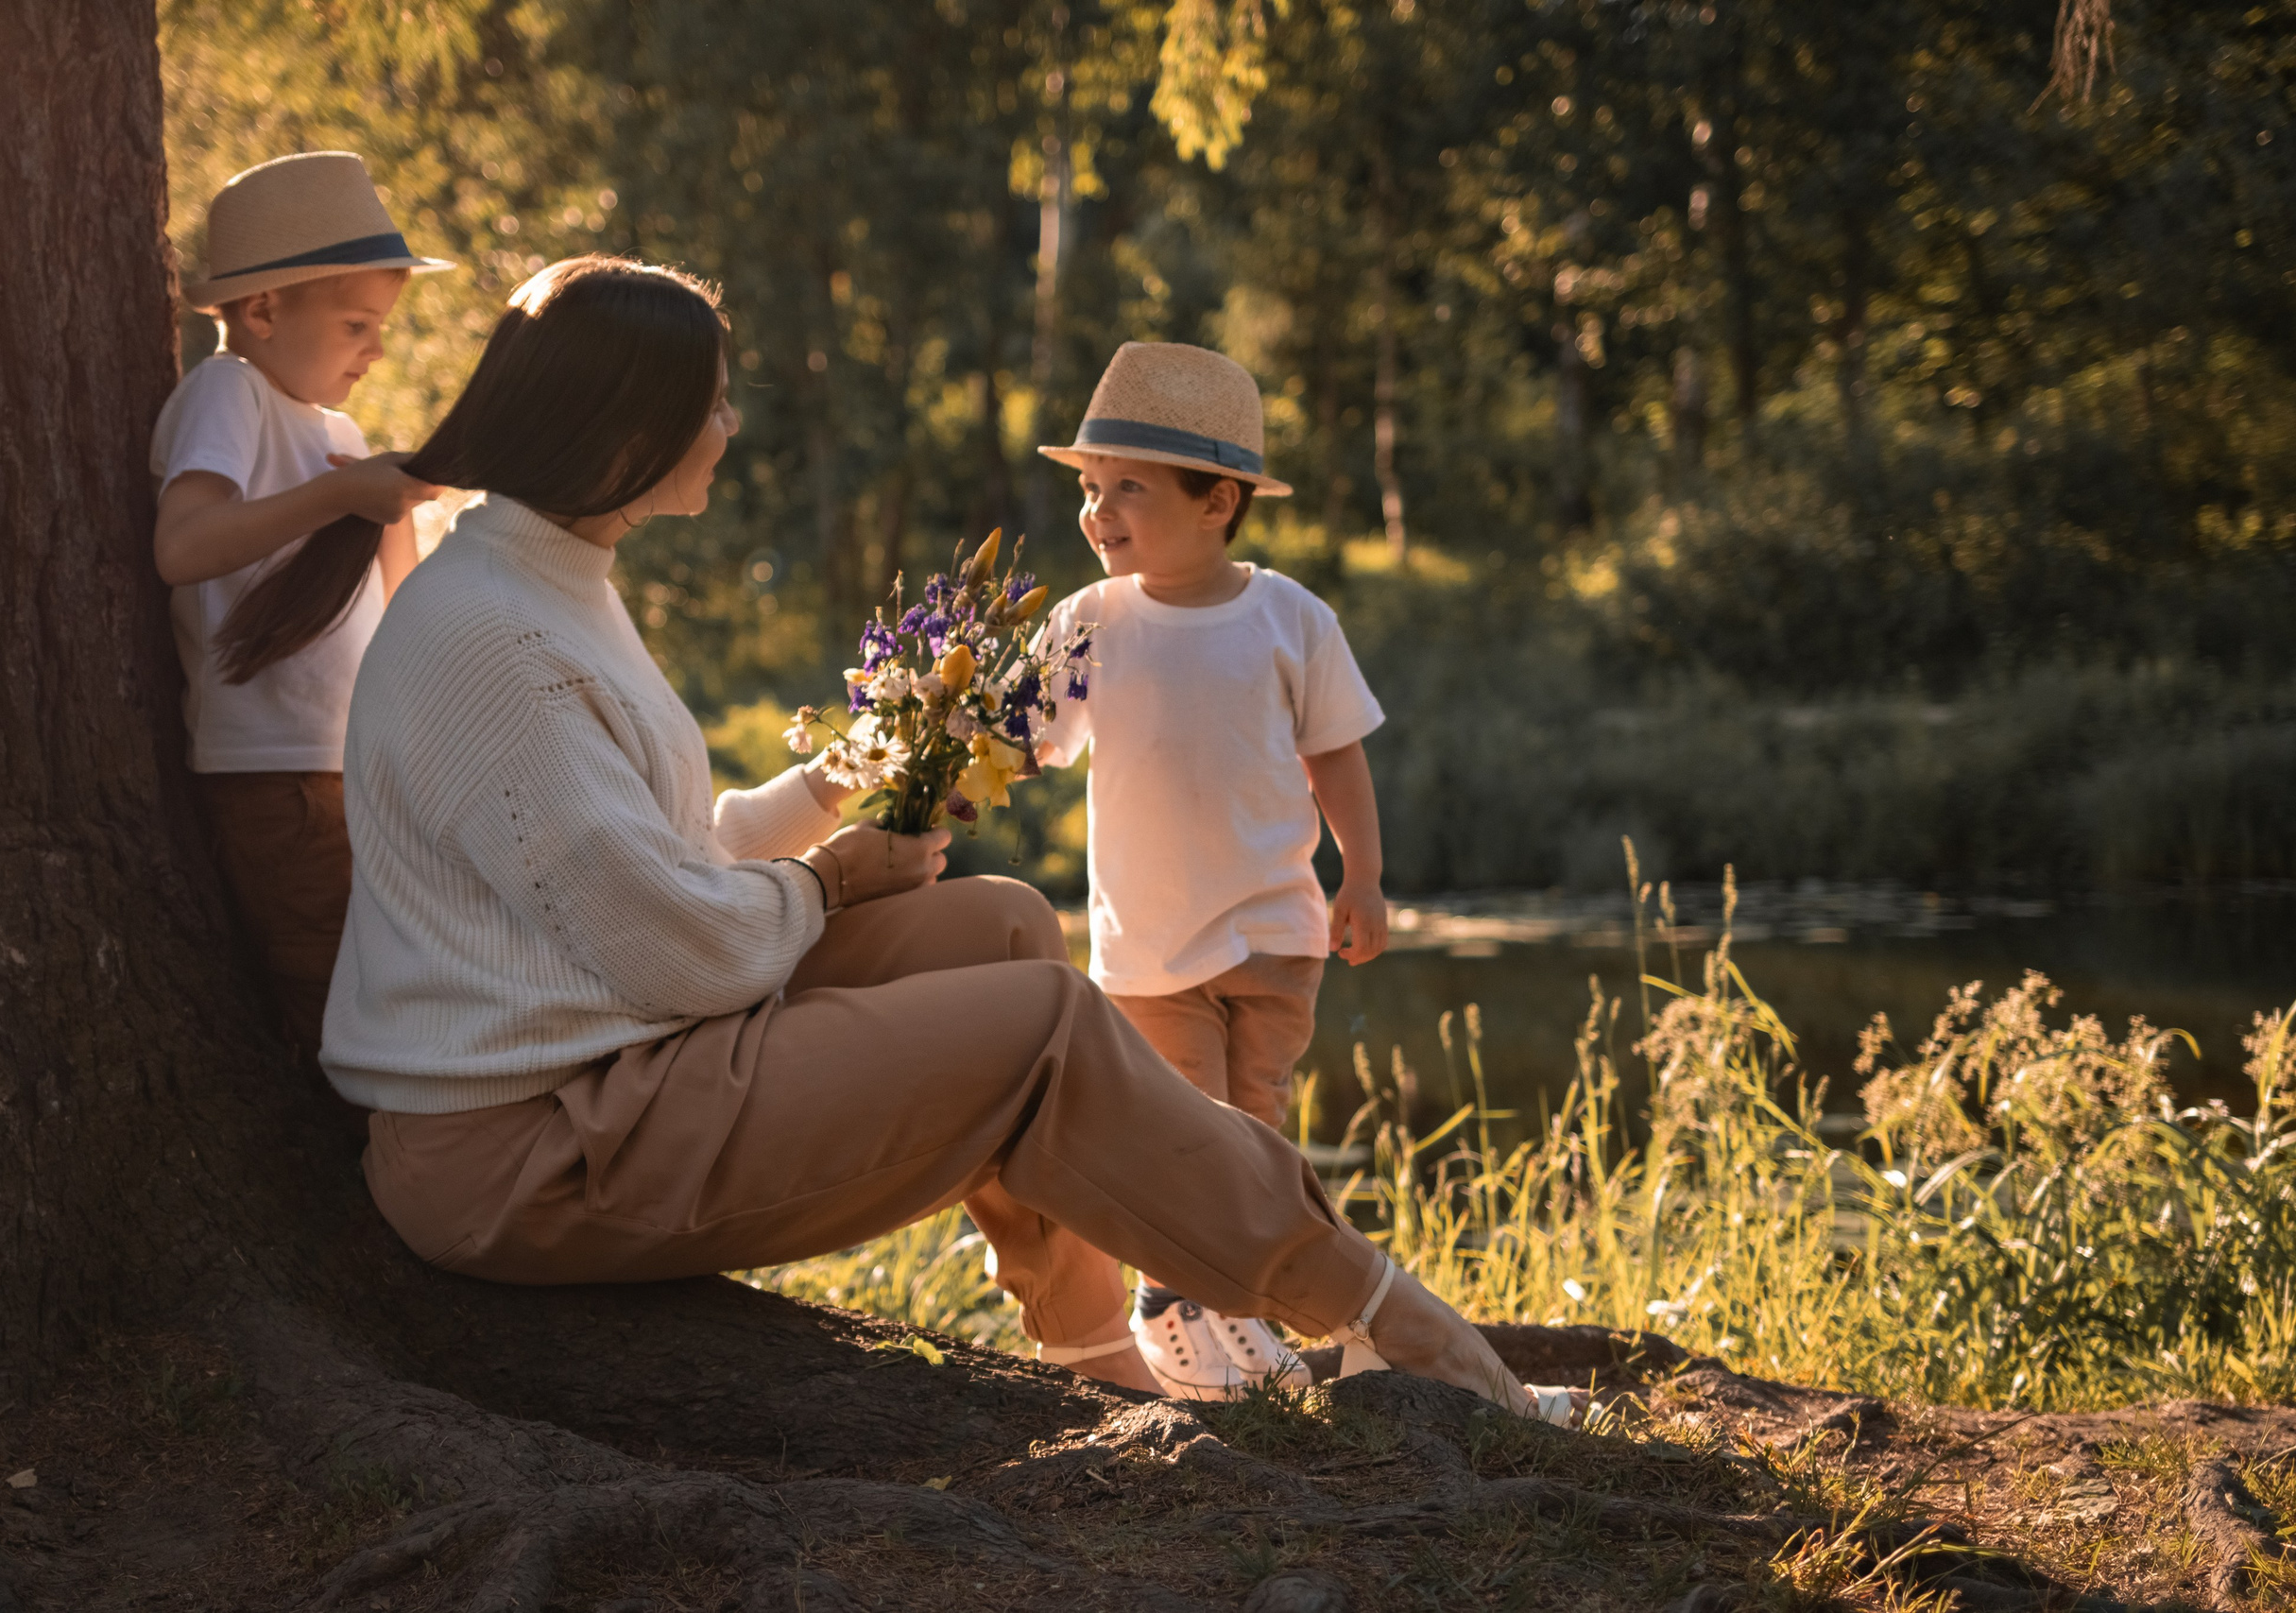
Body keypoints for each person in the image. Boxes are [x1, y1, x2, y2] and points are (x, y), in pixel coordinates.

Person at [320, 254, 1565, 1422]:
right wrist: (826, 883)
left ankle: (1092, 1352)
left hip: (604, 1070)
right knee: (1040, 1021)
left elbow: (666, 853)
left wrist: (843, 781)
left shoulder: (546, 578)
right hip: (535, 1148)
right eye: (714, 403)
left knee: (1007, 923)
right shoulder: (496, 636)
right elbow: (666, 948)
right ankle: (1390, 1321)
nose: (729, 428)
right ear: (627, 428)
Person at [1032, 342, 1398, 1399]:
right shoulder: (1088, 622)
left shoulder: (1290, 618)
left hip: (1277, 934)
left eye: (1128, 489)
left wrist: (1361, 878)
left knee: (1254, 1134)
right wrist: (940, 751)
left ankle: (1227, 1311)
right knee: (1183, 1133)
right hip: (1147, 944)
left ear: (1218, 500)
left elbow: (1336, 754)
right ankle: (1169, 1312)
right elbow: (1019, 740)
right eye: (1091, 490)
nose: (1098, 513)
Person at [151, 151, 452, 1052]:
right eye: (358, 323)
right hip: (269, 771)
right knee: (325, 971)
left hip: (344, 762)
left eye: (383, 325)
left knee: (383, 960)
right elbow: (183, 546)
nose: (378, 348)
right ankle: (350, 1139)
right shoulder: (228, 393)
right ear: (263, 310)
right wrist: (339, 498)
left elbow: (389, 601)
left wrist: (390, 505)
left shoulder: (335, 434)